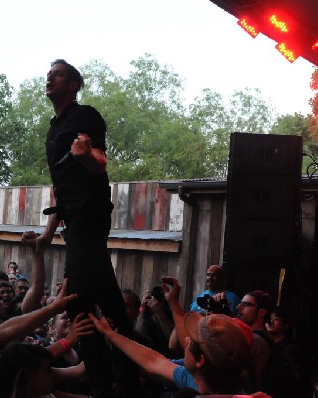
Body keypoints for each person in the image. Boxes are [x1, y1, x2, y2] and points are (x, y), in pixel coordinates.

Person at [35, 59, 137, 396]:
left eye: (58, 74)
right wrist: (48, 234)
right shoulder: (53, 128)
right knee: (104, 297)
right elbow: (59, 187)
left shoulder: (86, 116)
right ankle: (128, 374)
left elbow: (100, 163)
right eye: (49, 73)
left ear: (74, 84)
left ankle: (105, 382)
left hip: (90, 215)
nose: (50, 77)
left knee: (77, 297)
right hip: (73, 218)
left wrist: (84, 157)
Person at [89, 310, 254, 396]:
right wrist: (111, 334)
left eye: (191, 342)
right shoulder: (196, 378)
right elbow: (154, 361)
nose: (186, 341)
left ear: (200, 360)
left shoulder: (194, 384)